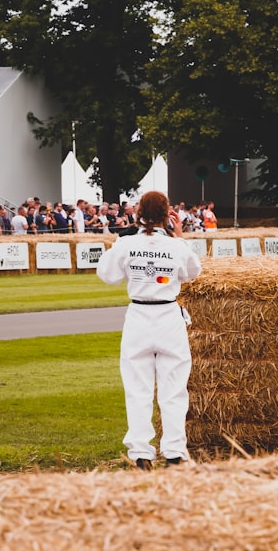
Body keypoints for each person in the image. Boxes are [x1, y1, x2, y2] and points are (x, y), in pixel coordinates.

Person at [96, 190, 203, 470]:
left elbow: (106, 275)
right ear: (168, 214)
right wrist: (178, 237)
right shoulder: (177, 247)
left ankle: (141, 453)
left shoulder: (126, 243)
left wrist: (121, 245)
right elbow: (193, 272)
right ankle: (174, 453)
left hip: (140, 315)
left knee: (137, 388)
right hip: (168, 314)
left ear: (138, 213)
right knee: (174, 389)